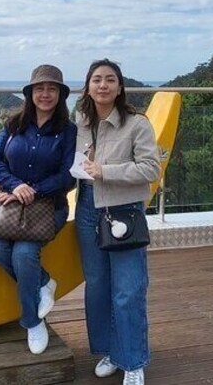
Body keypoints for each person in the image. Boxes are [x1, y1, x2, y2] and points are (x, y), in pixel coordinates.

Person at [0, 64, 77, 354]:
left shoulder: (68, 131)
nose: (45, 94)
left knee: (23, 254)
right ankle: (44, 282)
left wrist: (31, 190)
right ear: (30, 93)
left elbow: (68, 175)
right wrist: (15, 186)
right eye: (39, 88)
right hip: (10, 201)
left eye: (52, 89)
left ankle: (32, 322)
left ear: (60, 95)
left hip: (48, 205)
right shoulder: (14, 125)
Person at [75, 59, 160, 385]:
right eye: (97, 79)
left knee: (128, 289)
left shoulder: (137, 124)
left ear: (120, 87)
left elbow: (150, 169)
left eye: (110, 79)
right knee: (97, 286)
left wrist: (105, 171)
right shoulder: (81, 121)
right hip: (87, 208)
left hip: (123, 211)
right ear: (88, 87)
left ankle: (133, 361)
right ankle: (112, 350)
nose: (103, 85)